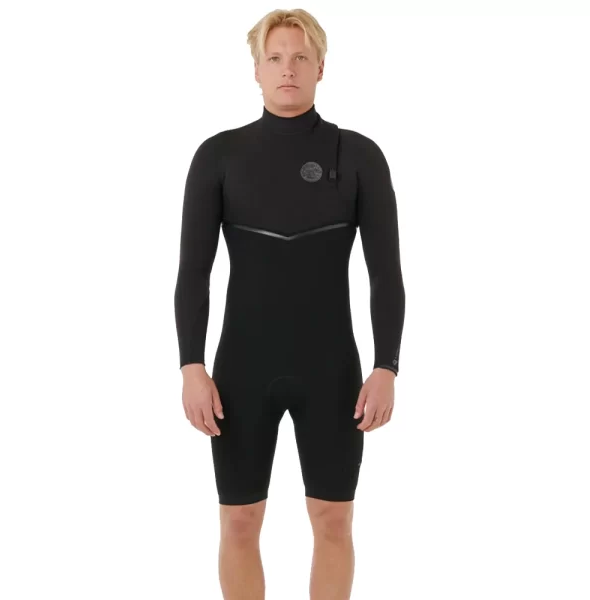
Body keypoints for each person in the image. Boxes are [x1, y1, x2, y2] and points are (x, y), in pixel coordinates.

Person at [174, 8, 405, 600]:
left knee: (333, 521)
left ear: (321, 67)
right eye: (274, 58)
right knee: (238, 521)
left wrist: (386, 366)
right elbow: (193, 273)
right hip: (241, 369)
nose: (287, 69)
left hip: (331, 369)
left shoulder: (359, 156)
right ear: (255, 69)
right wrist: (191, 365)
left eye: (301, 57)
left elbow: (386, 274)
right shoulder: (218, 156)